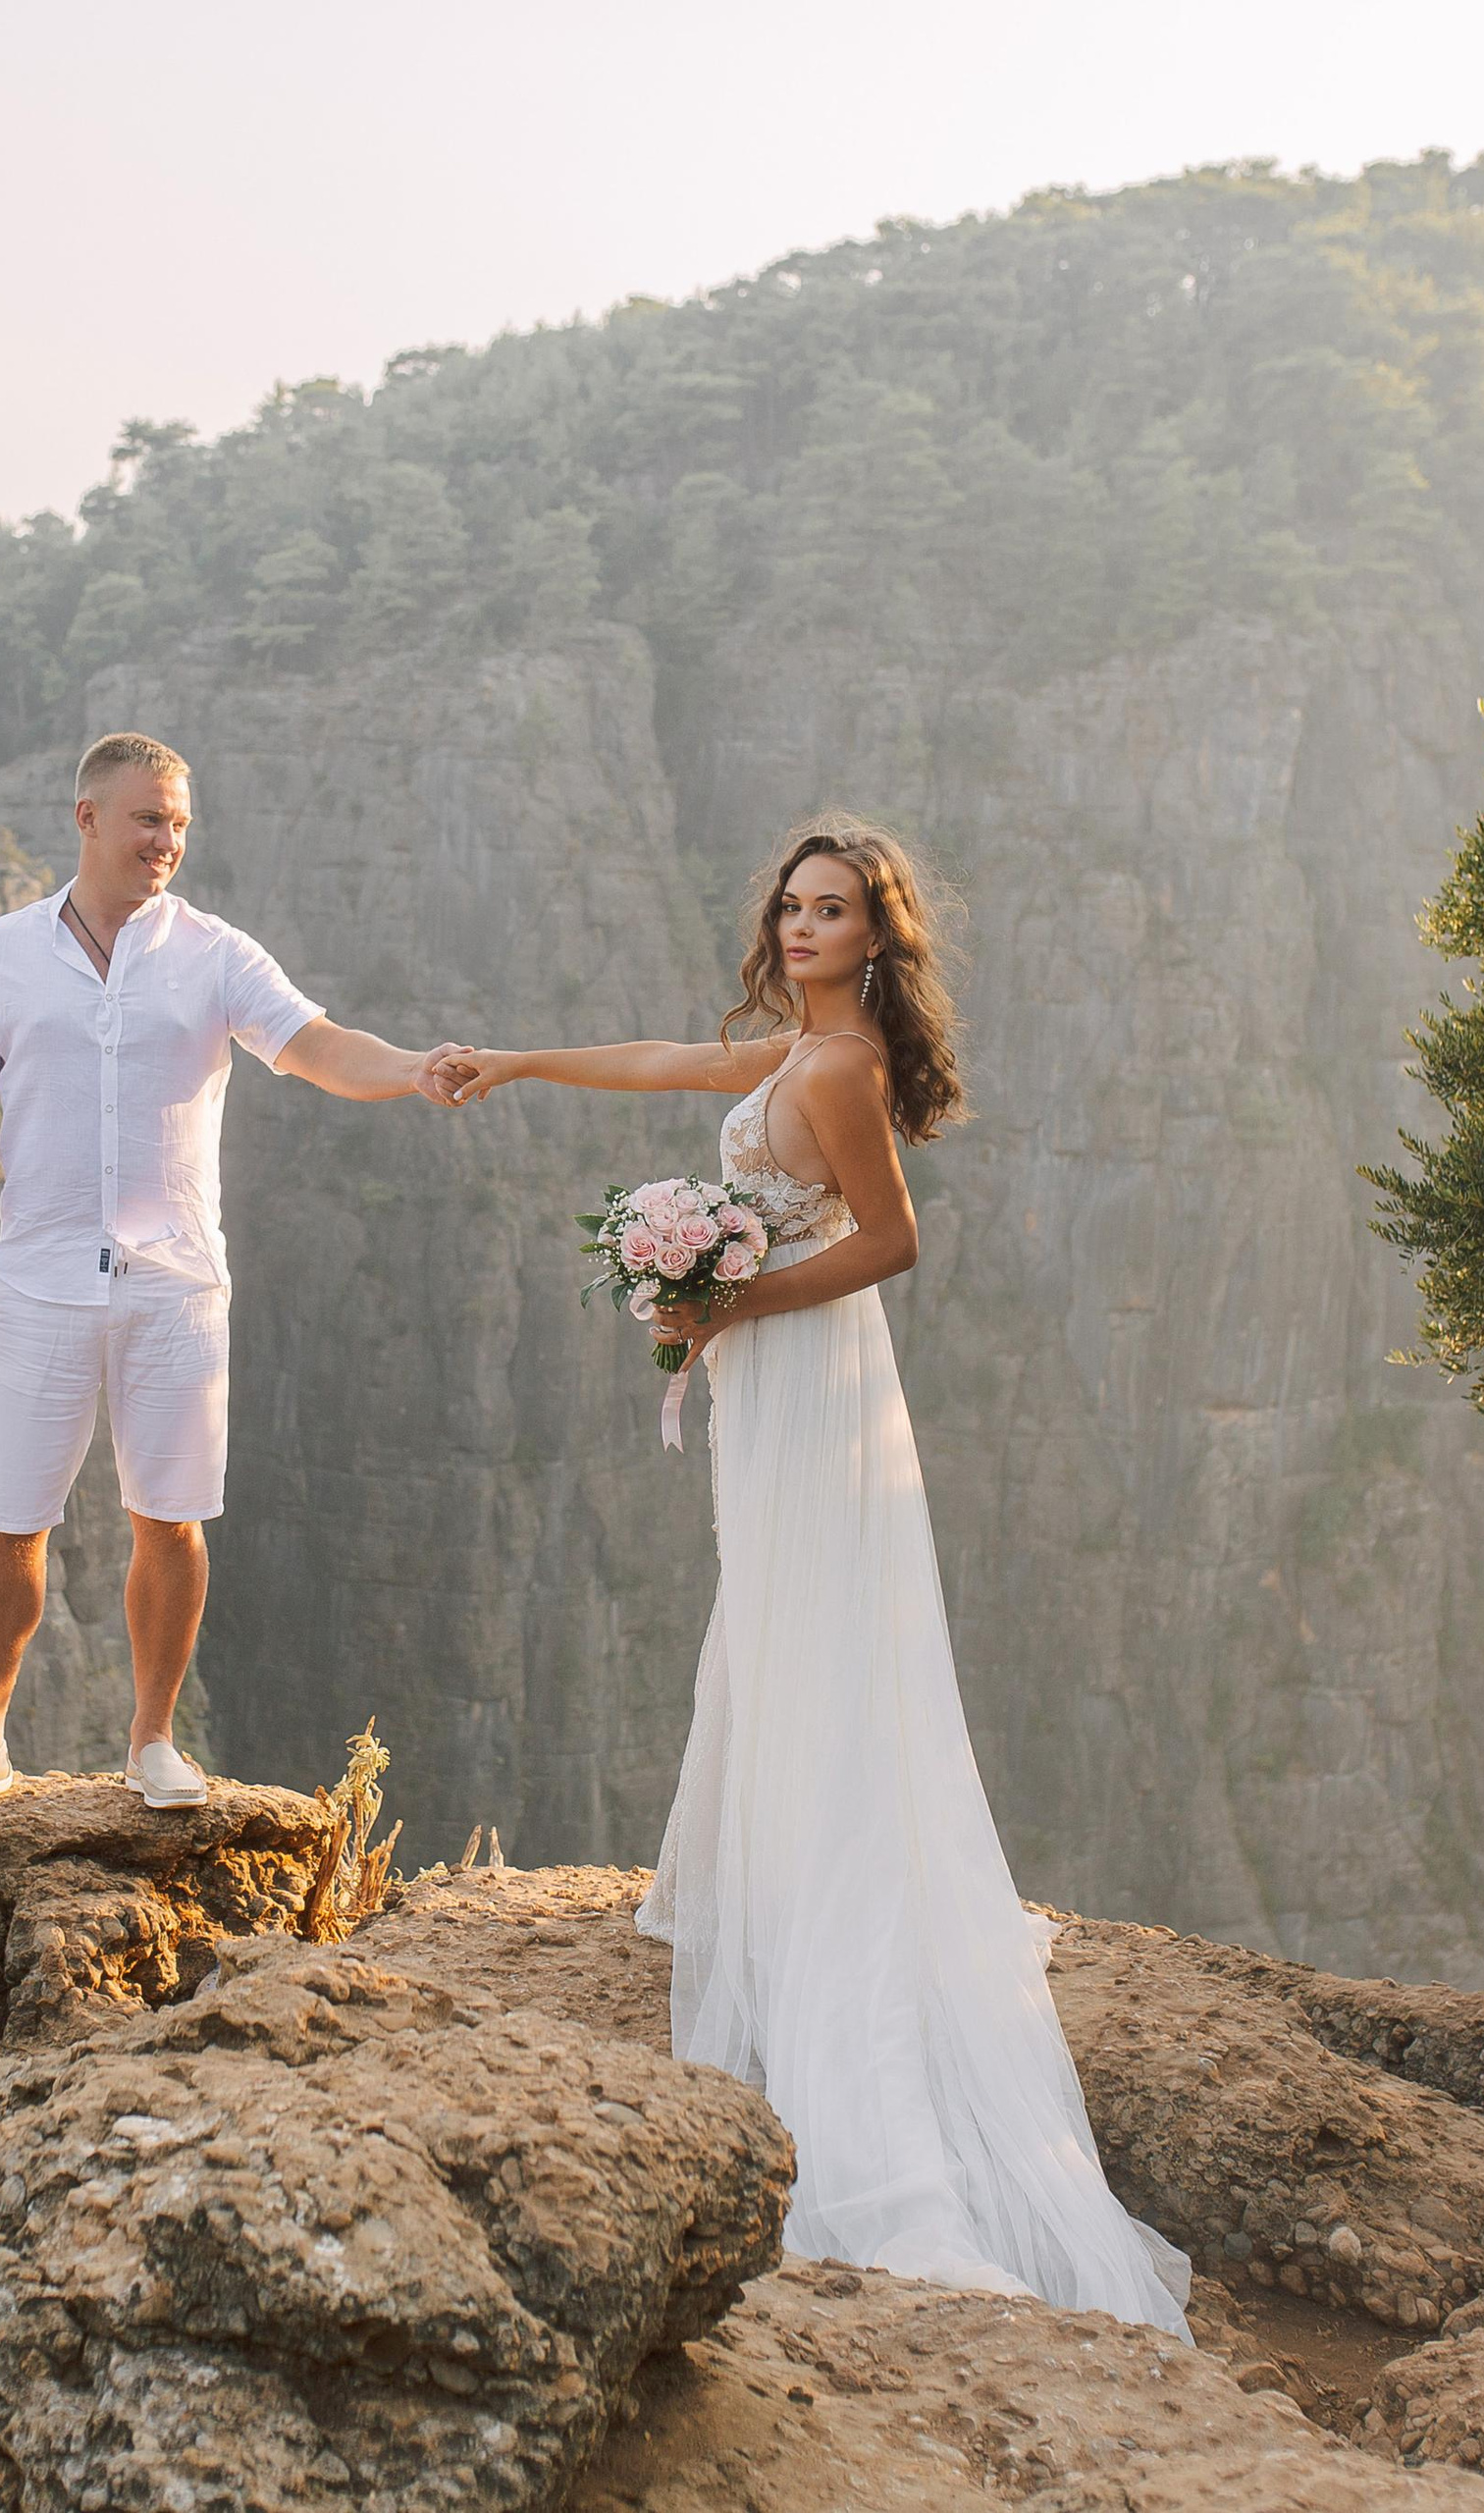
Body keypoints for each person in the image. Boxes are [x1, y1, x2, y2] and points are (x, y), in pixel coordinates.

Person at [436, 813, 1191, 2334]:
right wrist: (513, 1061)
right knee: (776, 1615)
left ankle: (831, 1908)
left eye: (830, 911)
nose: (799, 927)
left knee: (810, 1622)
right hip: (777, 1371)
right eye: (789, 904)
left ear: (876, 935)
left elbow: (893, 1238)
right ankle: (784, 1869)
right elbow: (663, 1061)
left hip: (811, 1364)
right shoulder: (791, 1053)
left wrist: (730, 1299)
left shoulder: (840, 1074)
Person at [0, 731, 463, 1819]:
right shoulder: (2, 953)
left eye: (180, 824)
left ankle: (152, 1740)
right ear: (87, 818)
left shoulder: (215, 953)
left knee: (171, 1516)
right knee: (11, 1519)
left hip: (175, 1283)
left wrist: (412, 1072)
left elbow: (315, 1045)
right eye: (148, 818)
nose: (166, 840)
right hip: (40, 1277)